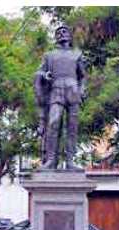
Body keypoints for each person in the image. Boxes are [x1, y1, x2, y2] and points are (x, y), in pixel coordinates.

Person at [34, 25, 88, 170]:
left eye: (65, 31)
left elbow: (82, 76)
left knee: (72, 127)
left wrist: (82, 90)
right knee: (53, 123)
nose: (62, 33)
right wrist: (44, 75)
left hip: (73, 91)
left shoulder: (77, 54)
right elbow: (39, 73)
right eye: (58, 32)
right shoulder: (49, 55)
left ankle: (70, 160)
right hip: (56, 90)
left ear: (70, 36)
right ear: (56, 37)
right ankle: (51, 160)